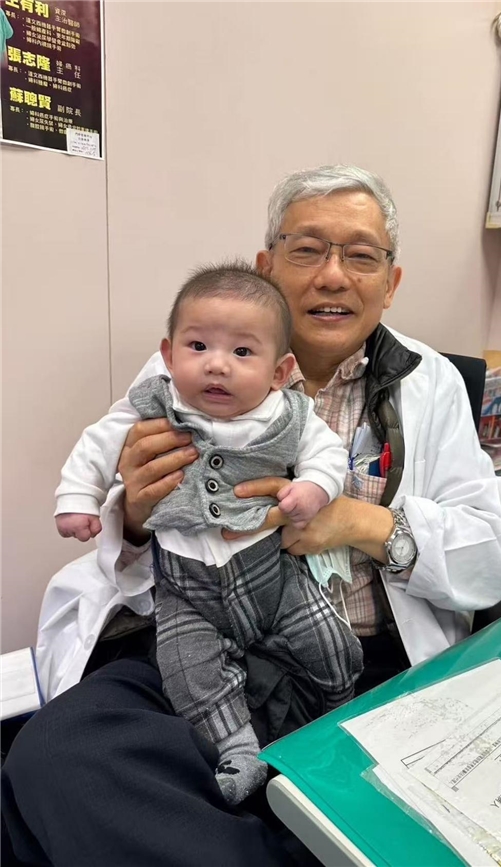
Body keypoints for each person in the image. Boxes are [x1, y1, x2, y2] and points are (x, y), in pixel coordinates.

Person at [2, 165, 501, 867]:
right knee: (56, 758)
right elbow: (119, 524)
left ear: (391, 282)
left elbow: (494, 558)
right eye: (306, 249)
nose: (333, 276)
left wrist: (360, 523)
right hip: (197, 639)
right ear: (266, 265)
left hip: (358, 662)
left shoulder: (430, 382)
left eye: (361, 255)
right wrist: (134, 515)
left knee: (357, 805)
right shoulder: (192, 367)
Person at [53, 262, 362, 806]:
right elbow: (97, 444)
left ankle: (345, 709)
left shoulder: (287, 413)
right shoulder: (156, 401)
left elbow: (327, 452)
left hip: (274, 580)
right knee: (188, 673)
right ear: (169, 355)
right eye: (198, 347)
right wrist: (79, 498)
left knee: (330, 643)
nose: (217, 364)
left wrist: (314, 487)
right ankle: (239, 753)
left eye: (242, 352)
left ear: (279, 371)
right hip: (186, 592)